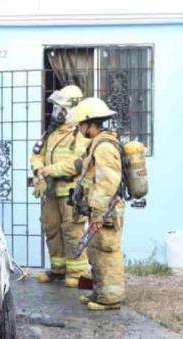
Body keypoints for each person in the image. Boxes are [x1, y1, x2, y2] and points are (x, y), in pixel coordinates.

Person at [30, 85, 91, 287]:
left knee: (72, 230)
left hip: (70, 192)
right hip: (50, 191)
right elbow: (37, 154)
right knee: (51, 228)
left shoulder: (81, 133)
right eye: (55, 108)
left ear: (72, 108)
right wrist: (39, 169)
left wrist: (50, 170)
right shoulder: (51, 133)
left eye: (60, 108)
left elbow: (77, 162)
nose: (56, 112)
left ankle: (78, 273)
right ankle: (58, 269)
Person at [70, 97, 125, 311]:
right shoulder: (97, 144)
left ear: (89, 123)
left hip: (107, 210)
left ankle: (111, 299)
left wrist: (100, 212)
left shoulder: (104, 146)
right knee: (95, 251)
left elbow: (108, 182)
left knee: (107, 251)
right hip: (99, 210)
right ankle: (100, 292)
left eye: (81, 125)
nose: (80, 129)